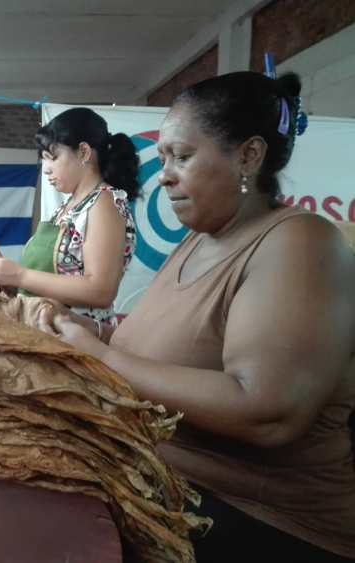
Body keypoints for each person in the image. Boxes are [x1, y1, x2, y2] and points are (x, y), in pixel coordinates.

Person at [53, 72, 355, 562]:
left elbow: (266, 411)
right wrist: (101, 331)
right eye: (165, 157)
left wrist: (101, 356)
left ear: (248, 157)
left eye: (183, 157)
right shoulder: (198, 240)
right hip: (169, 485)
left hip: (262, 523)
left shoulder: (301, 243)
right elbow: (179, 344)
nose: (166, 173)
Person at [0, 107, 139, 333]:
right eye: (44, 160)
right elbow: (50, 282)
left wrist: (20, 275)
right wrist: (8, 281)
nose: (46, 170)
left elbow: (101, 289)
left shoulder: (104, 203)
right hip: (43, 328)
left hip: (79, 337)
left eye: (53, 158)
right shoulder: (66, 208)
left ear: (83, 152)